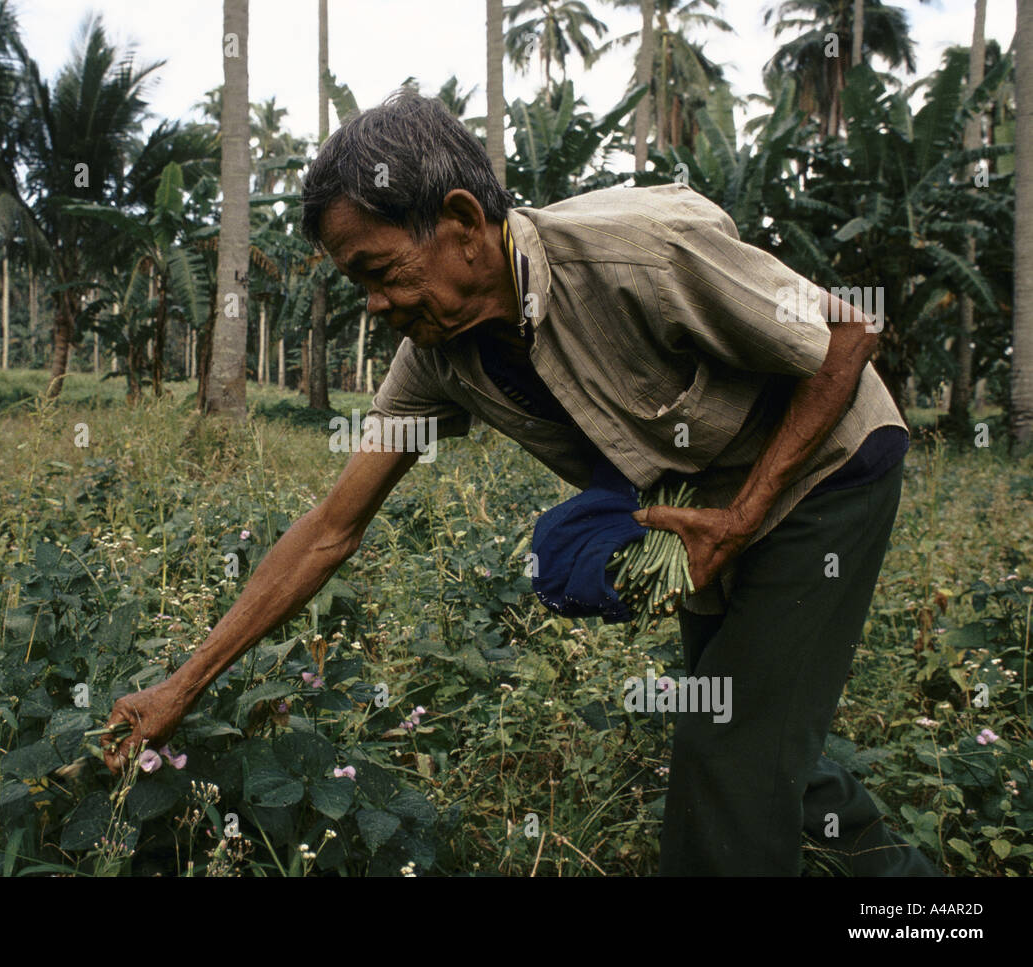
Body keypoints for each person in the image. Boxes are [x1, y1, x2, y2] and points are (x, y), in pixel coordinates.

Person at [100, 89, 938, 876]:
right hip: (697, 508)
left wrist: (747, 514)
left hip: (825, 467)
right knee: (761, 732)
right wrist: (182, 685)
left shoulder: (636, 253)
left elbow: (846, 332)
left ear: (463, 222)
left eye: (380, 270)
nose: (376, 304)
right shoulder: (436, 357)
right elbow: (331, 527)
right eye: (357, 284)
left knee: (727, 747)